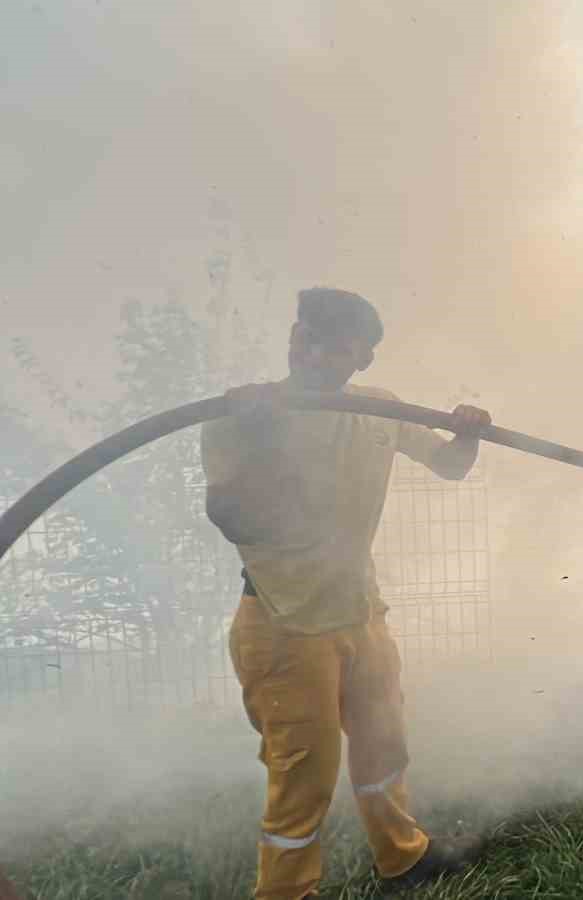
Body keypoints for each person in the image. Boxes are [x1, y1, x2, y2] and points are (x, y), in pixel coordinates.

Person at [201, 288, 492, 900]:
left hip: (362, 613)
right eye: (305, 333)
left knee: (385, 746)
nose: (311, 349)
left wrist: (467, 433)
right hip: (283, 624)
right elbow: (231, 518)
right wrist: (258, 438)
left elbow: (449, 465)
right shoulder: (243, 414)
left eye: (334, 342)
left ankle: (403, 858)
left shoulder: (381, 409)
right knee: (303, 775)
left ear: (361, 358)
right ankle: (286, 892)